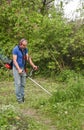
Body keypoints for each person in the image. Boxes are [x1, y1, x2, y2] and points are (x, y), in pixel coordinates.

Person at [12, 38, 38, 103]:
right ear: (20, 44)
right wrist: (19, 69)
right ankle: (19, 100)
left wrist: (33, 65)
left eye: (26, 45)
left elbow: (28, 59)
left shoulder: (25, 49)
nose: (25, 47)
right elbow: (14, 60)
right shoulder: (15, 49)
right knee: (18, 84)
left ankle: (22, 97)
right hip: (16, 68)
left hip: (23, 68)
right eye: (23, 45)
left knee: (23, 83)